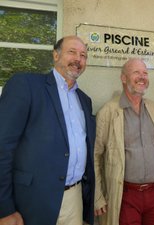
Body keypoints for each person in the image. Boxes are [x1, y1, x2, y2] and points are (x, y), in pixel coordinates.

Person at [0, 35, 96, 225]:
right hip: (32, 200)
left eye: (83, 55)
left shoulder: (85, 100)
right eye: (72, 52)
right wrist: (4, 208)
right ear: (55, 55)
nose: (78, 59)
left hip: (73, 199)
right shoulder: (26, 85)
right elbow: (2, 146)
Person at [94, 58, 154, 225]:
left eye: (145, 73)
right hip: (125, 195)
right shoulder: (108, 112)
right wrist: (98, 196)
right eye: (136, 72)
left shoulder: (153, 109)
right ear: (124, 78)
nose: (142, 77)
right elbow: (95, 156)